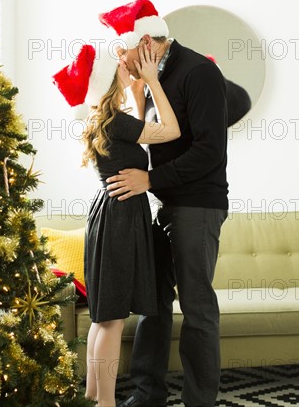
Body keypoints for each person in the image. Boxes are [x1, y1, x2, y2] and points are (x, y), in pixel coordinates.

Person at [98, 0, 234, 407]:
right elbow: (152, 134)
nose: (120, 58)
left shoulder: (199, 73)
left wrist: (151, 179)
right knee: (153, 302)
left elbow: (210, 150)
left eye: (123, 51)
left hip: (197, 206)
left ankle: (199, 401)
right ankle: (147, 395)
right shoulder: (152, 75)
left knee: (197, 307)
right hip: (164, 203)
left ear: (145, 42)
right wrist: (138, 89)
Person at [52, 42, 181, 407]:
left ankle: (94, 398)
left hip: (109, 213)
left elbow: (139, 131)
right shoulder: (116, 122)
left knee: (101, 317)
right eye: (122, 66)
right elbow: (169, 130)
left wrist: (138, 94)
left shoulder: (103, 119)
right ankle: (106, 404)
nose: (128, 66)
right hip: (121, 216)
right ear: (110, 78)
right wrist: (154, 82)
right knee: (111, 320)